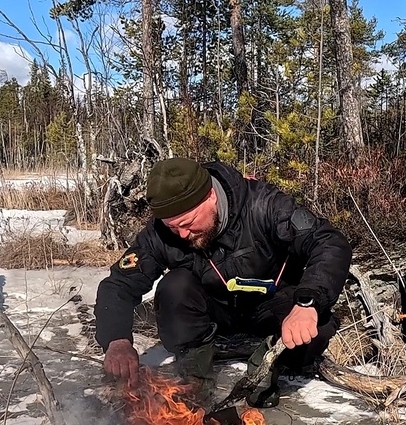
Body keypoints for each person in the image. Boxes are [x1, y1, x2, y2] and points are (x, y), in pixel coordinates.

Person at [94, 158, 353, 407]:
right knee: (174, 286)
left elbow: (329, 242)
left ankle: (270, 368)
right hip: (215, 313)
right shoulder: (160, 234)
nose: (183, 234)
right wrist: (117, 340)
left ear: (210, 196)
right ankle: (194, 378)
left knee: (316, 324)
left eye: (188, 223)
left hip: (274, 308)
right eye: (173, 228)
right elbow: (119, 285)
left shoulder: (265, 205)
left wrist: (307, 303)